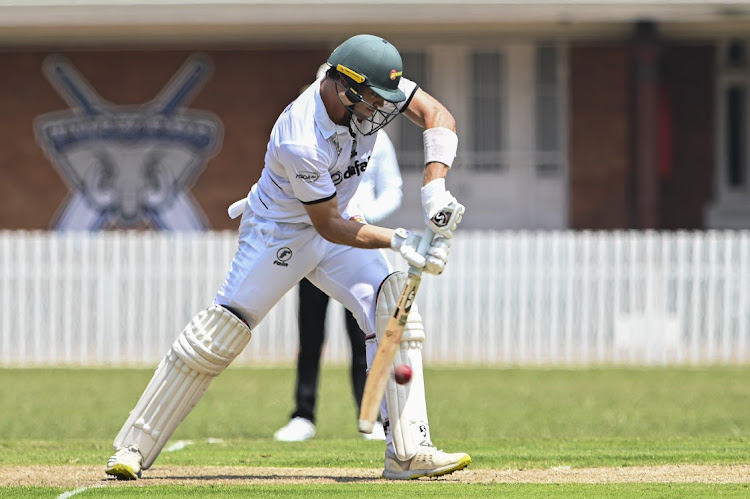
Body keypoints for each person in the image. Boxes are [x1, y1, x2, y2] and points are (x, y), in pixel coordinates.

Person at [105, 33, 469, 481]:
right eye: (373, 100)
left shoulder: (373, 84)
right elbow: (326, 225)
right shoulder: (300, 136)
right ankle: (133, 448)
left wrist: (434, 192)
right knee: (218, 334)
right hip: (281, 233)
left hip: (339, 220)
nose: (380, 110)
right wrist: (399, 239)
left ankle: (408, 451)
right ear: (345, 86)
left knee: (392, 309)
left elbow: (438, 115)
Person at [274, 128, 402, 442]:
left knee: (364, 337)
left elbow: (392, 189)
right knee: (310, 335)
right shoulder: (311, 136)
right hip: (316, 242)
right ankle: (303, 415)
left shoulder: (377, 138)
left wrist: (360, 219)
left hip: (359, 245)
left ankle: (369, 415)